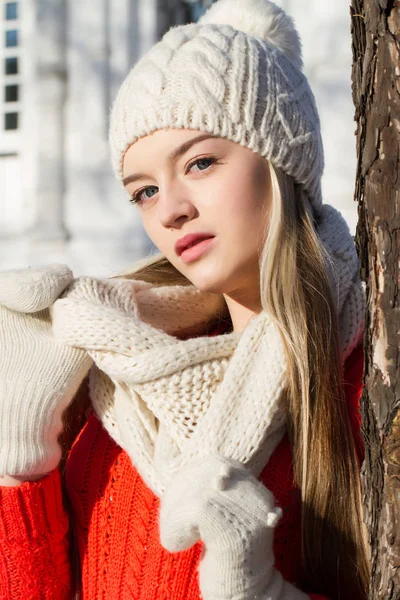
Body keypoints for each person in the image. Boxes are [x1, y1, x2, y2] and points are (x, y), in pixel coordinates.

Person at [0, 0, 370, 598]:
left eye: (200, 162)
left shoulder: (366, 385)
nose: (171, 209)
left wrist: (257, 588)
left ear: (283, 162)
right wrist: (18, 456)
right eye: (143, 191)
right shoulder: (109, 382)